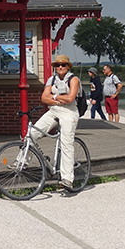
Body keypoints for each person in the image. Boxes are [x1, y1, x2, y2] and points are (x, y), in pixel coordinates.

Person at [28, 55, 81, 189]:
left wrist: (54, 96)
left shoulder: (74, 79)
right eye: (57, 65)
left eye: (63, 65)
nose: (60, 67)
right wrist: (58, 101)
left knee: (66, 143)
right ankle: (21, 162)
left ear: (68, 66)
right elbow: (44, 98)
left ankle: (67, 179)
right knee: (32, 134)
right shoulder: (51, 80)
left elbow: (70, 98)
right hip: (54, 110)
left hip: (69, 112)